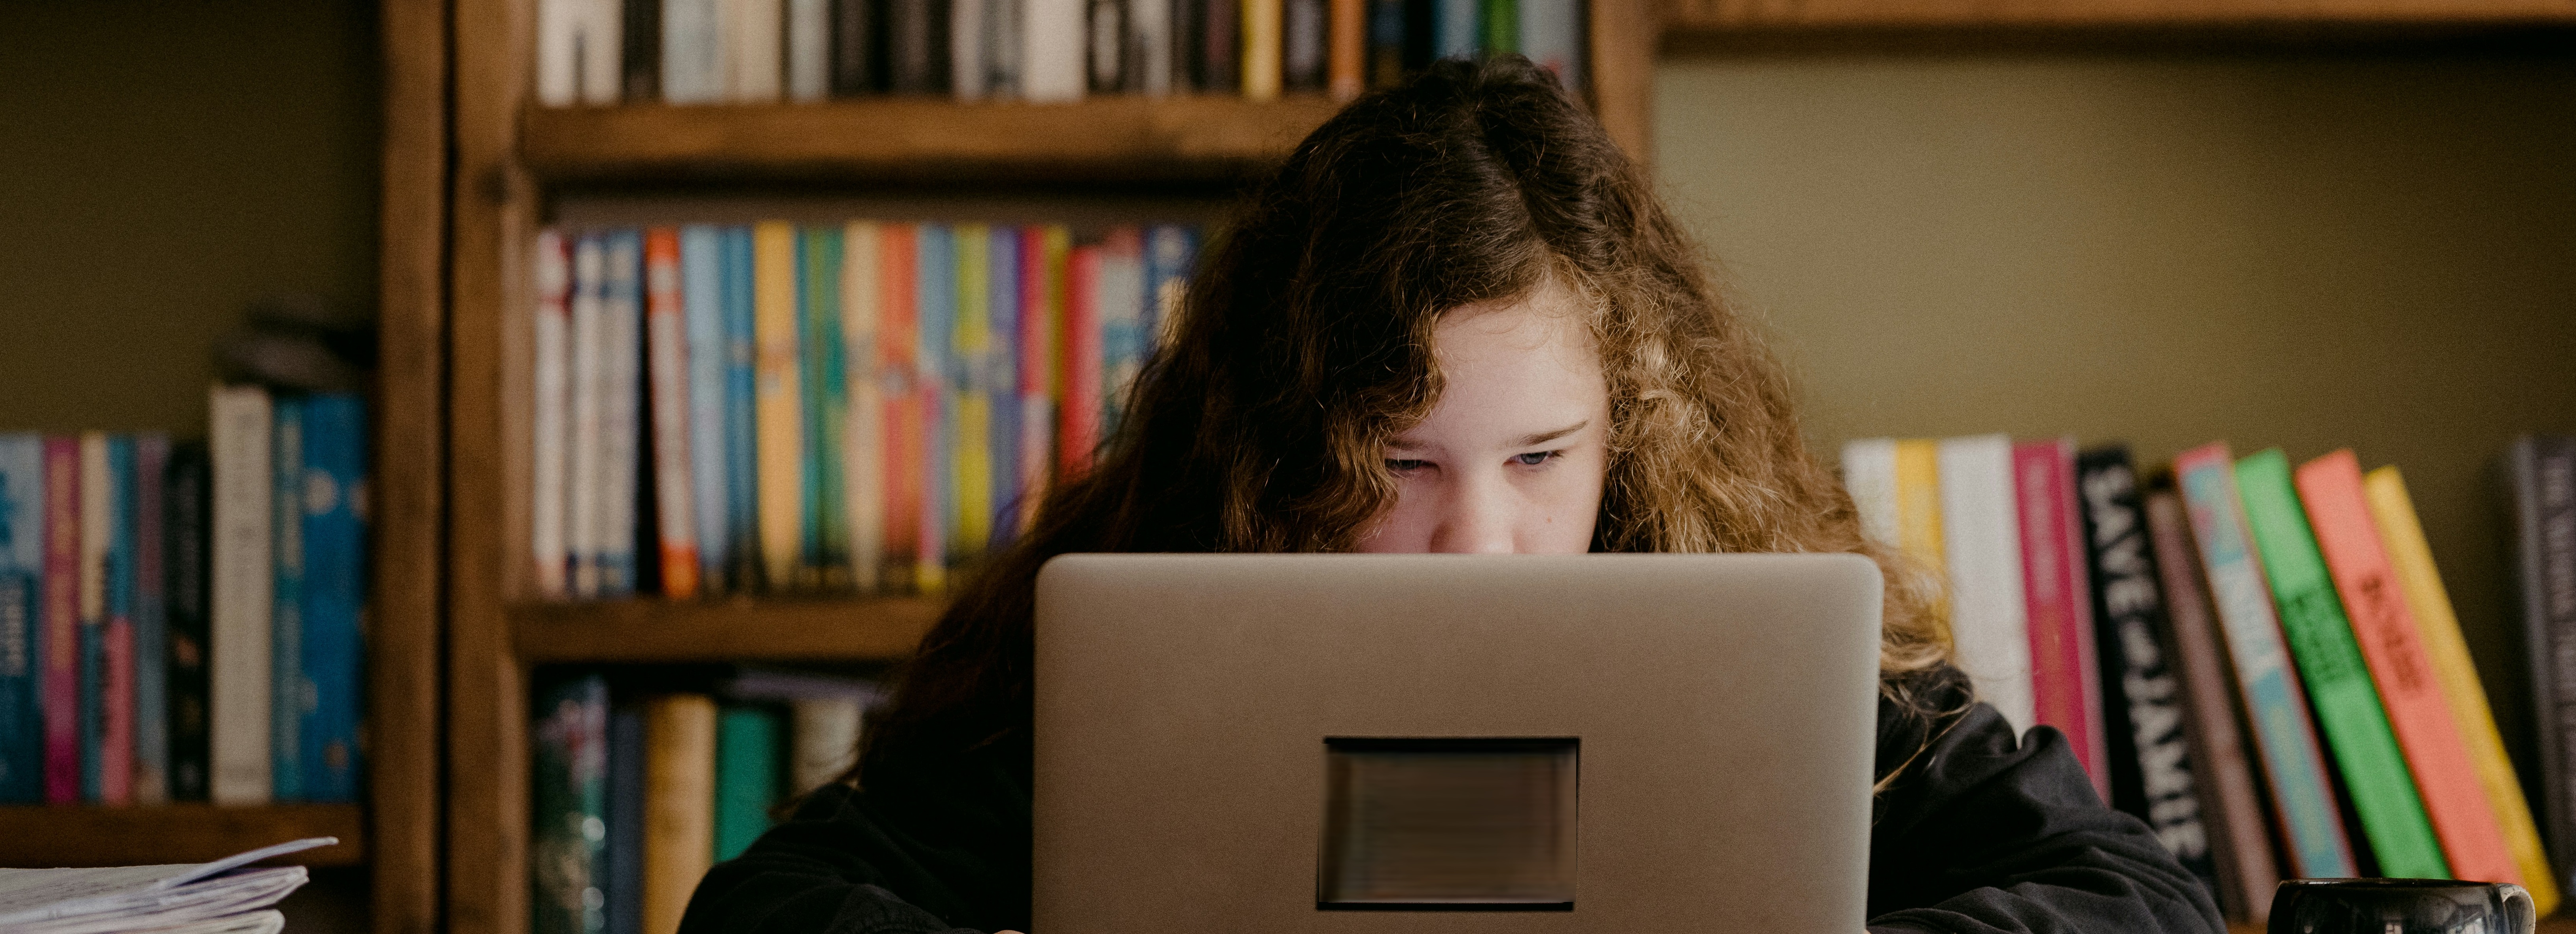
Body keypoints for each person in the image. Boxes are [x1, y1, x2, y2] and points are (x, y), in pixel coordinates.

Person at [680, 55, 2220, 934]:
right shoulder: (1147, 613)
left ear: (1635, 429)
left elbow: (2131, 895)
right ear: (1287, 447)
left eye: (1539, 460)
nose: (1476, 540)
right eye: (1396, 467)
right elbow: (768, 916)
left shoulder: (1724, 603)